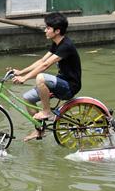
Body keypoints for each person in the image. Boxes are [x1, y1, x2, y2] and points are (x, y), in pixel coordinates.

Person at [10, 12, 81, 141]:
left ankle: (46, 111)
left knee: (41, 77)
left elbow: (46, 65)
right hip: (61, 81)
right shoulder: (57, 43)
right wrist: (21, 72)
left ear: (57, 31)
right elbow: (42, 61)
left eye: (48, 28)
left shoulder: (66, 46)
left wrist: (25, 79)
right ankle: (39, 130)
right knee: (27, 98)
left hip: (70, 86)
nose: (45, 30)